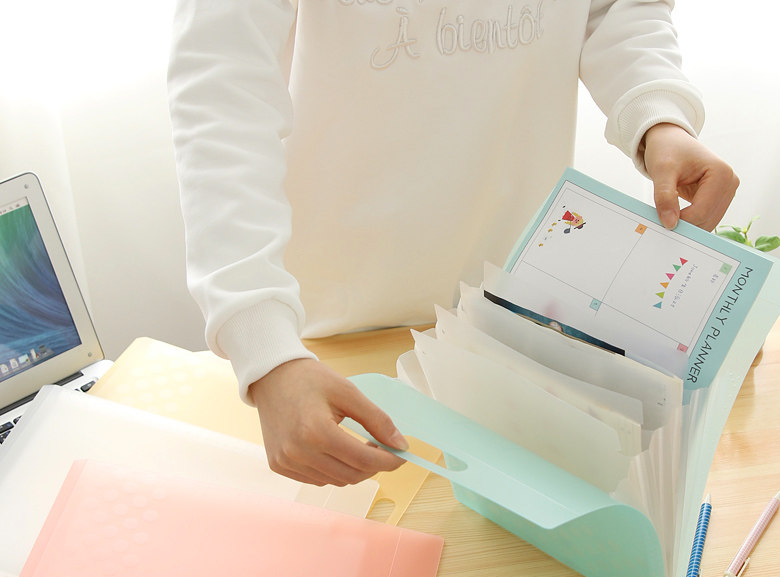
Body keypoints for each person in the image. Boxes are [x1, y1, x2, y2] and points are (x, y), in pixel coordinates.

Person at [167, 1, 739, 487]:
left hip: (515, 317)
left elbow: (615, 8)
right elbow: (223, 96)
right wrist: (266, 352)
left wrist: (657, 115)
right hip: (335, 338)